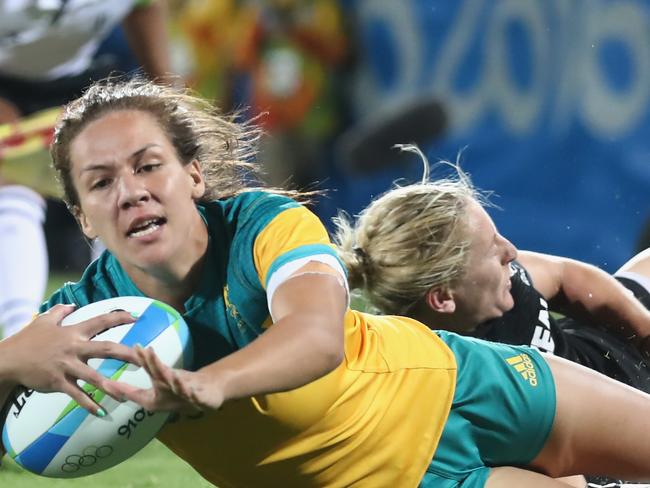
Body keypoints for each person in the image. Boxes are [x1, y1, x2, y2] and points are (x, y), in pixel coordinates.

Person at [7, 79, 650, 487]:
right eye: (100, 183)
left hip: (457, 381)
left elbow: (317, 337)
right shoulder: (81, 321)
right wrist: (9, 356)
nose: (130, 192)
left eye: (149, 165)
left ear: (195, 177)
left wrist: (212, 383)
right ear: (82, 215)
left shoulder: (262, 223)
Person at [333, 146, 650, 396]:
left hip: (619, 347)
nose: (510, 251)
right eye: (492, 250)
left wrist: (644, 332)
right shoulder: (458, 386)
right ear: (443, 298)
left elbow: (565, 277)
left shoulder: (495, 283)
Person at [0, 0, 172, 339]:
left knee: (121, 172)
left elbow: (145, 8)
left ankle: (122, 315)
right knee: (9, 179)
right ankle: (20, 335)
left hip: (81, 77)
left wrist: (168, 98)